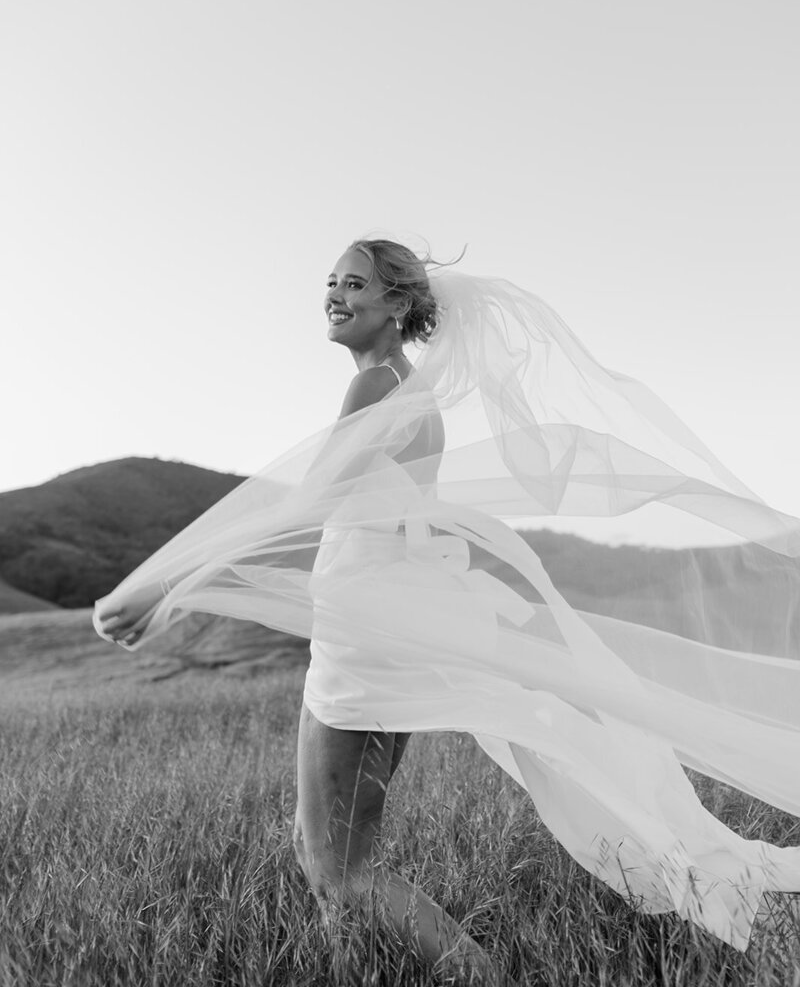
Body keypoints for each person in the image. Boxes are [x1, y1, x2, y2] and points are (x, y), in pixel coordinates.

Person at [94, 236, 800, 973]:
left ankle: (480, 974)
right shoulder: (403, 387)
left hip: (368, 631)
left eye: (356, 284)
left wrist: (171, 582)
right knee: (320, 850)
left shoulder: (379, 389)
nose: (335, 294)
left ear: (398, 305)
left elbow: (309, 504)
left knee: (342, 867)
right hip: (366, 620)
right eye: (331, 281)